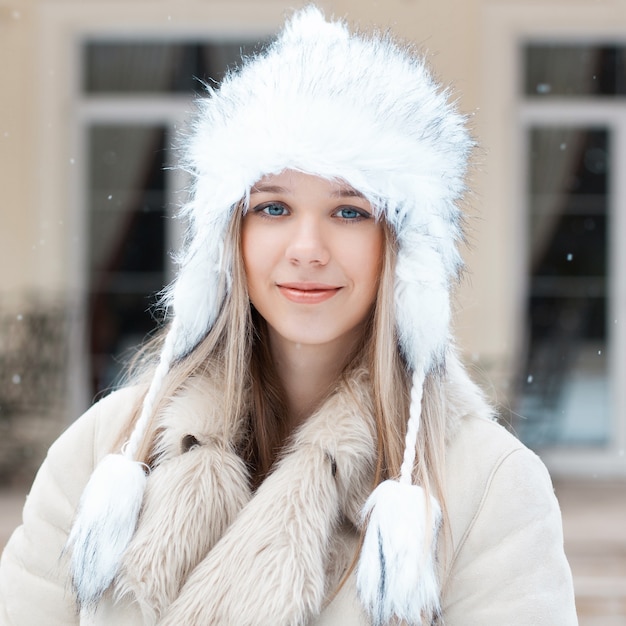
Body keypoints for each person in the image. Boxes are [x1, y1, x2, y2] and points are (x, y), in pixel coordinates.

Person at [0, 6, 577, 625]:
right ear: (230, 239)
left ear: (404, 251)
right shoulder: (105, 452)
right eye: (273, 208)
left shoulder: (487, 486)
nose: (306, 248)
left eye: (350, 211)